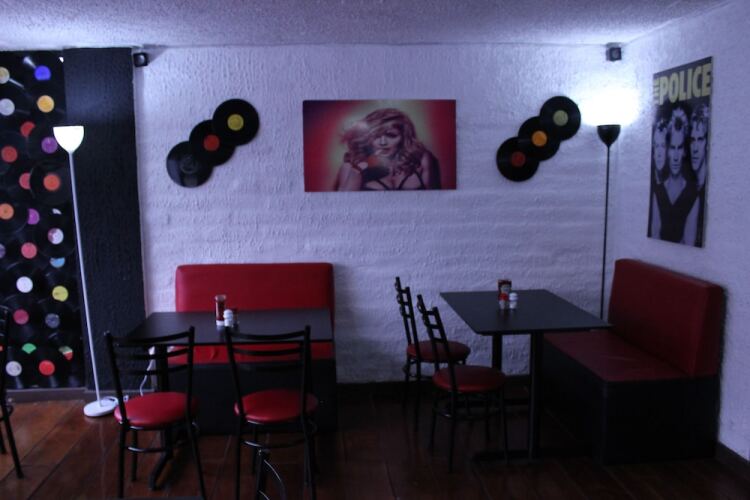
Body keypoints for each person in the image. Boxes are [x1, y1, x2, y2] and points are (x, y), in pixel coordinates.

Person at [335, 108, 440, 191]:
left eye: (391, 135)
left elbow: (436, 199)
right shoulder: (351, 164)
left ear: (404, 137)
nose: (383, 142)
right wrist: (361, 167)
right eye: (376, 136)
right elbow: (345, 204)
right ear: (367, 137)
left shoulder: (422, 160)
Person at [650, 104, 697, 243]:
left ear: (684, 152)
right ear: (667, 151)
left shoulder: (692, 195)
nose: (676, 156)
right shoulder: (658, 192)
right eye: (672, 147)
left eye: (679, 147)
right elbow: (655, 234)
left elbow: (689, 242)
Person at [683, 103, 710, 246]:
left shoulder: (707, 192)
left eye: (700, 140)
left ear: (707, 143)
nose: (695, 148)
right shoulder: (688, 189)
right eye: (692, 140)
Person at [647, 115, 669, 238]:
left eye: (663, 146)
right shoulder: (653, 187)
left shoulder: (666, 187)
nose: (660, 153)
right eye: (656, 146)